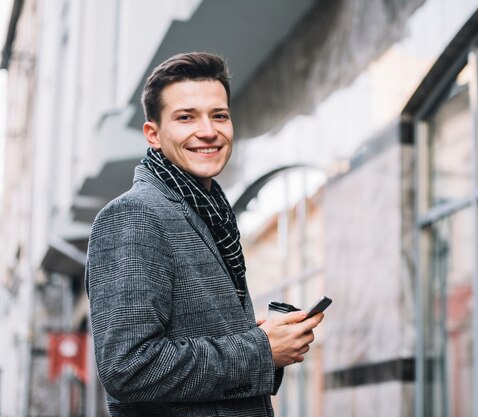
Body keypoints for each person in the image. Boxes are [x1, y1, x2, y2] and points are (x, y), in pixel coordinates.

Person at [85, 52, 324, 417]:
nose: (209, 131)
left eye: (219, 116)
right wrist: (260, 349)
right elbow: (128, 368)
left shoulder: (208, 212)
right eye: (185, 117)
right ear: (154, 134)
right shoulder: (134, 215)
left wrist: (261, 338)